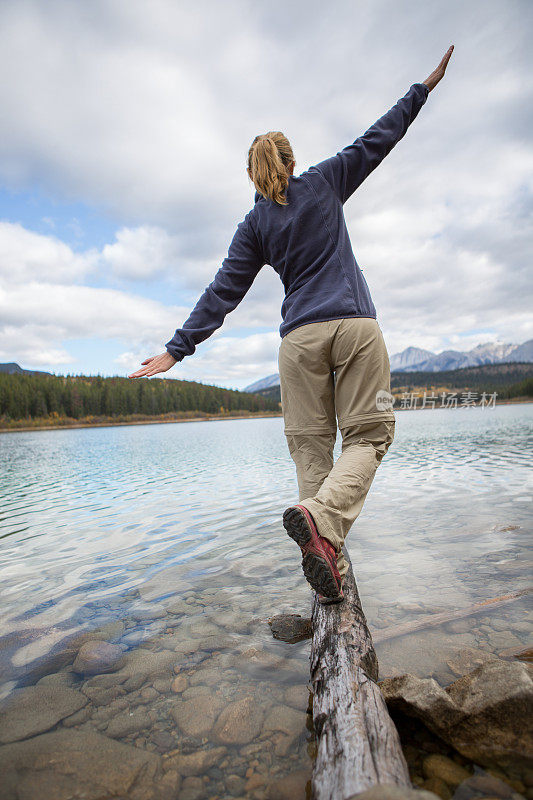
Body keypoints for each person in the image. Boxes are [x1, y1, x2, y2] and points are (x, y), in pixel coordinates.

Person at [129, 46, 454, 603]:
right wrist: (421, 88)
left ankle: (325, 565)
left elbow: (222, 292)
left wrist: (177, 350)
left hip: (298, 343)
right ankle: (324, 531)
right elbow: (381, 136)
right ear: (292, 161)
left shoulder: (253, 224)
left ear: (254, 174)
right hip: (353, 326)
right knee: (371, 435)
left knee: (310, 451)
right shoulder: (326, 181)